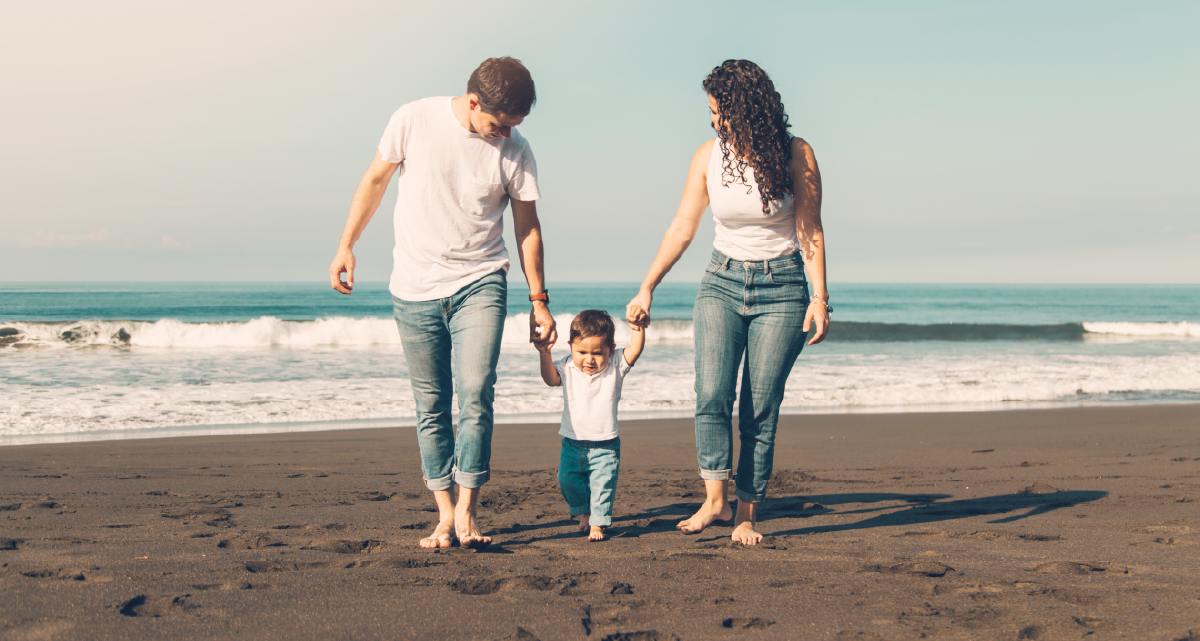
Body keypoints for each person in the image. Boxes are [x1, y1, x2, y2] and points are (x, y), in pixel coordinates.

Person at [329, 57, 556, 549]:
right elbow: (374, 182)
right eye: (499, 124)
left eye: (514, 127)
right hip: (413, 287)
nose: (505, 135)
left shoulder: (516, 150)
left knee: (475, 391)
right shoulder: (412, 119)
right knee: (431, 403)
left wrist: (539, 299)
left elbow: (527, 228)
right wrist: (347, 244)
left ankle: (470, 512)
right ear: (474, 102)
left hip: (481, 279)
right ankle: (445, 514)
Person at [625, 59, 830, 545]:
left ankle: (746, 512)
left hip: (782, 288)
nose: (713, 120)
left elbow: (810, 229)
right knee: (712, 394)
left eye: (720, 111)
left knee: (759, 406)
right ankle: (714, 501)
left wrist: (820, 296)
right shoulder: (707, 157)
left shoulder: (796, 154)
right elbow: (682, 227)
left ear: (747, 109)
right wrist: (647, 285)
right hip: (720, 281)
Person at [537, 309, 646, 541]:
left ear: (611, 350)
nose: (589, 359)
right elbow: (550, 380)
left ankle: (598, 523)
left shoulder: (615, 366)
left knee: (602, 485)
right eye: (582, 352)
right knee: (566, 480)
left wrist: (638, 329)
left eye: (598, 353)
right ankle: (584, 511)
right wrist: (544, 353)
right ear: (570, 347)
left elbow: (635, 350)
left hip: (605, 444)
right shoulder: (566, 367)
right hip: (572, 443)